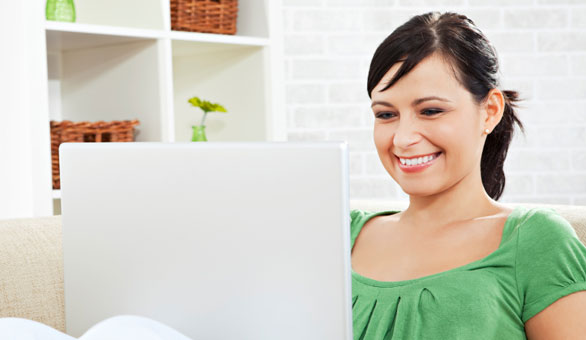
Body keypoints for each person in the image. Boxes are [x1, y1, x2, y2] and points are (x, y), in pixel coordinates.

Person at [350, 11, 586, 340]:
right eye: (386, 114)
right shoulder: (342, 234)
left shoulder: (536, 240)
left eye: (430, 110)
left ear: (489, 111)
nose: (403, 138)